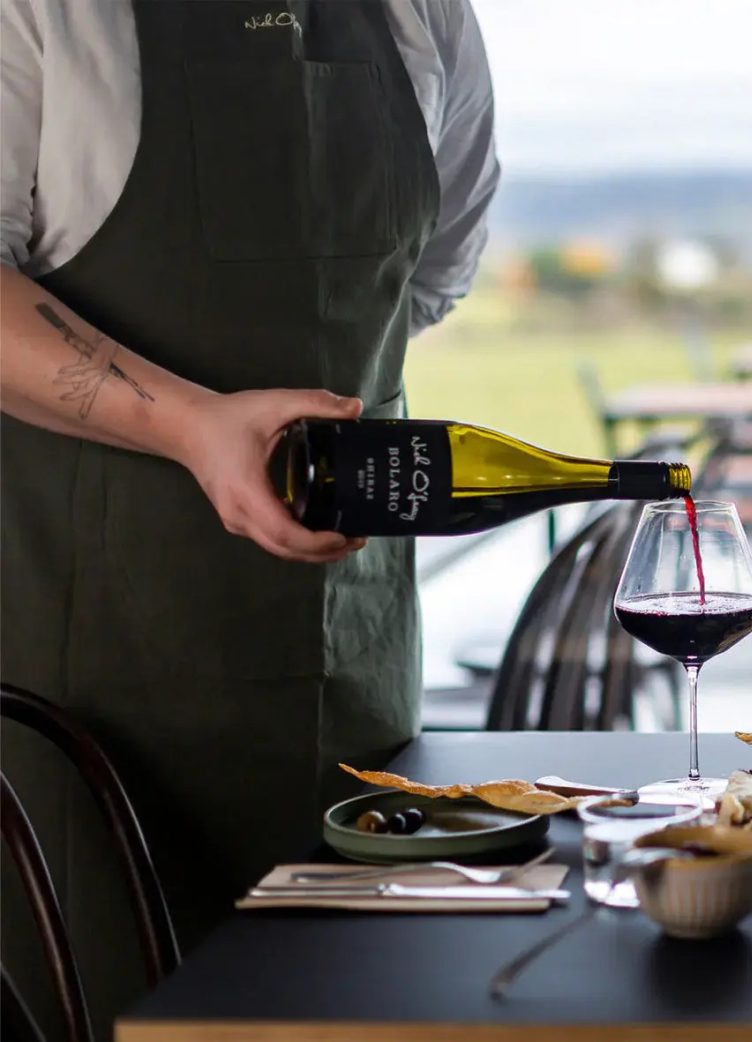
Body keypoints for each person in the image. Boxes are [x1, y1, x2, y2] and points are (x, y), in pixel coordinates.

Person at [0, 0, 498, 1035]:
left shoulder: (422, 15)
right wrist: (188, 422)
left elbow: (427, 275)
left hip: (358, 674)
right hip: (96, 693)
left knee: (354, 1006)